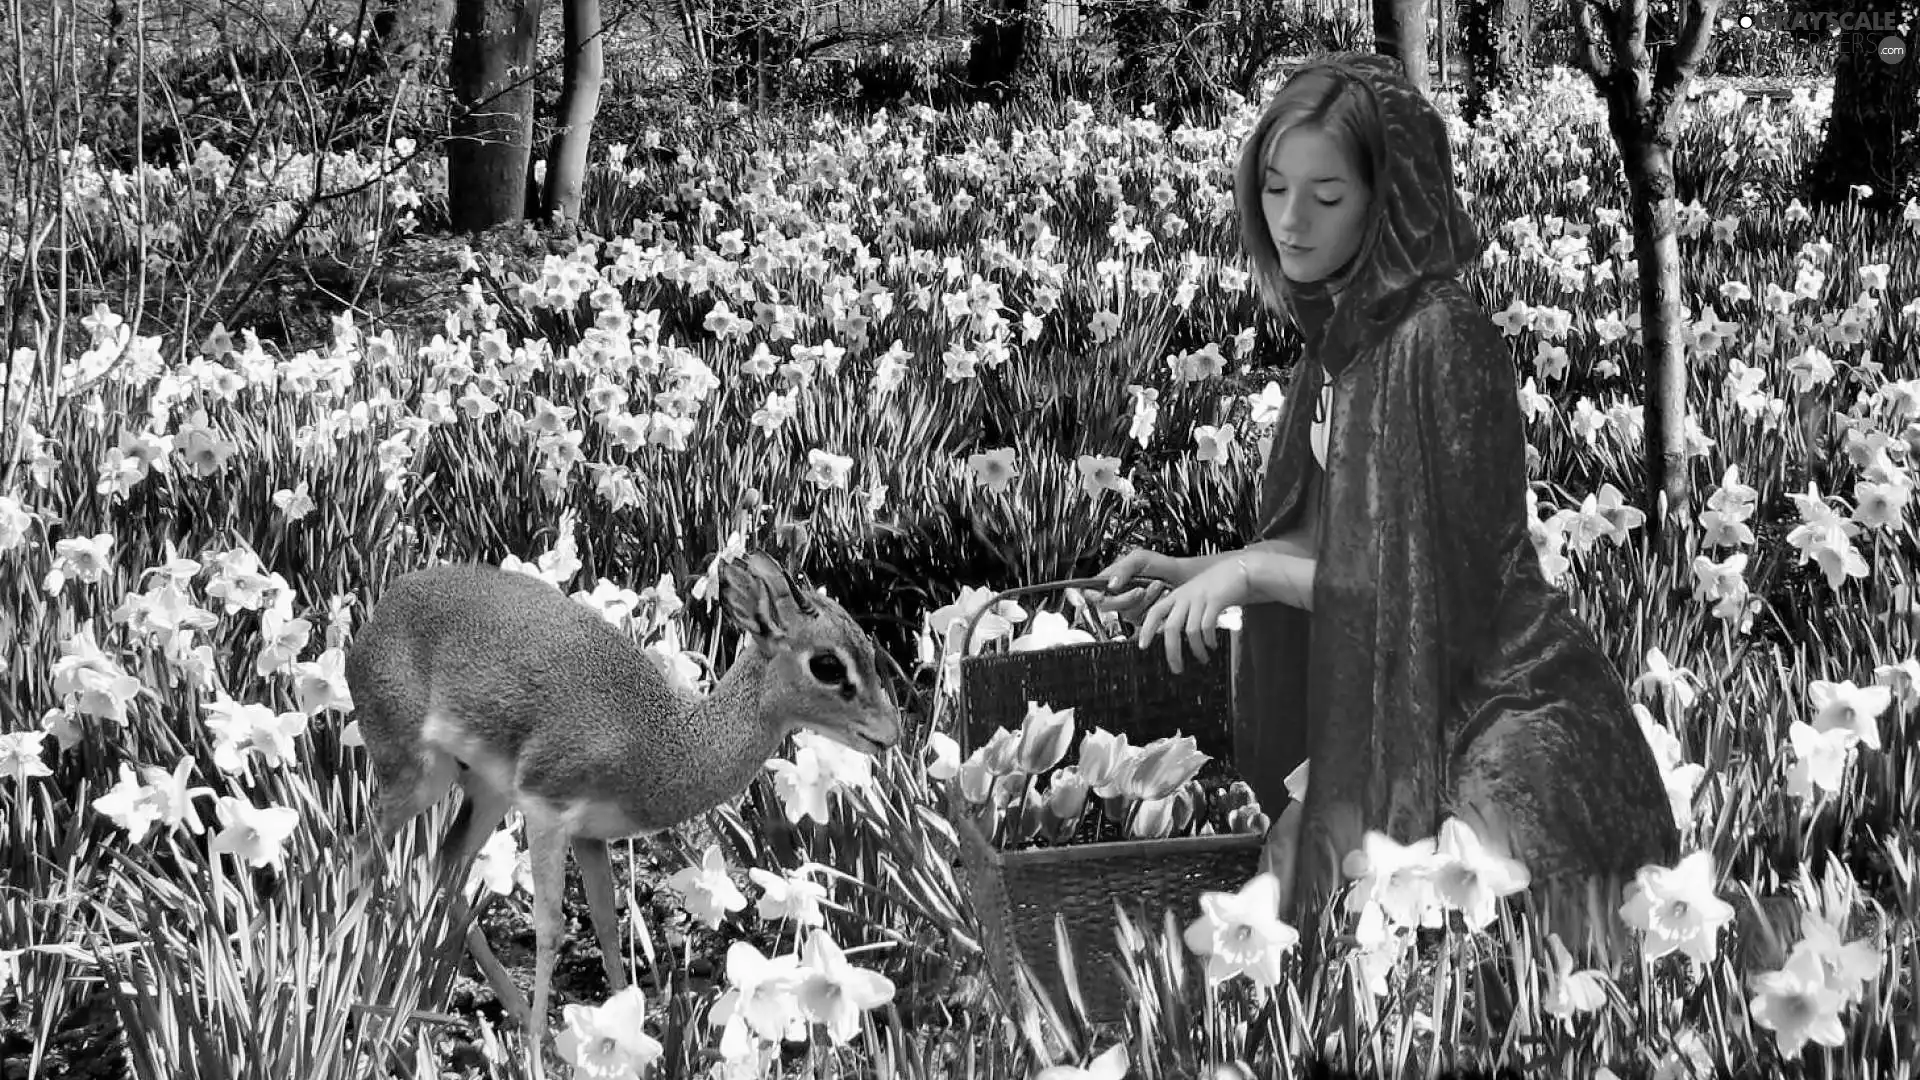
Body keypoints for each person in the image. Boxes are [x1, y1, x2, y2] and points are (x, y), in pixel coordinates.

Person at [1098, 53, 1679, 960]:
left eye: (1326, 197)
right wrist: (1195, 573)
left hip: (1491, 698)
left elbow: (1431, 587)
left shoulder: (1446, 343)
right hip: (1390, 690)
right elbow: (1336, 535)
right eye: (1275, 188)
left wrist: (1252, 574)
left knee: (1458, 934)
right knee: (1309, 904)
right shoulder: (1343, 340)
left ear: (1389, 202)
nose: (1290, 222)